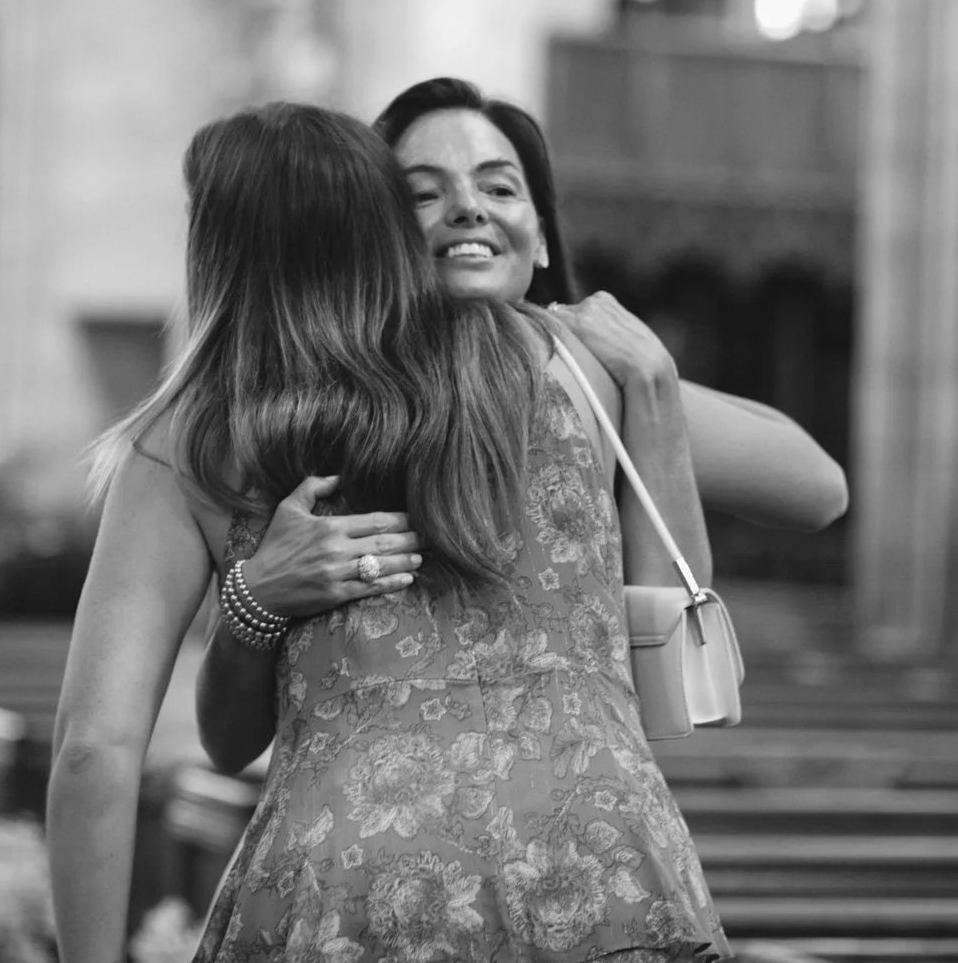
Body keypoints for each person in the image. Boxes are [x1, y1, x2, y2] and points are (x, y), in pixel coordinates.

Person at [48, 100, 728, 963]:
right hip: (605, 870)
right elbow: (814, 489)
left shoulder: (197, 437)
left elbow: (96, 751)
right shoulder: (571, 364)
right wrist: (655, 383)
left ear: (215, 248)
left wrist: (251, 599)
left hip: (355, 889)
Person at [195, 77, 849, 777]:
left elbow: (819, 489)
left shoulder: (586, 378)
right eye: (424, 194)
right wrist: (254, 599)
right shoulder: (307, 402)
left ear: (539, 241)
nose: (468, 207)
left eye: (500, 188)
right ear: (373, 235)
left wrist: (652, 380)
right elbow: (228, 742)